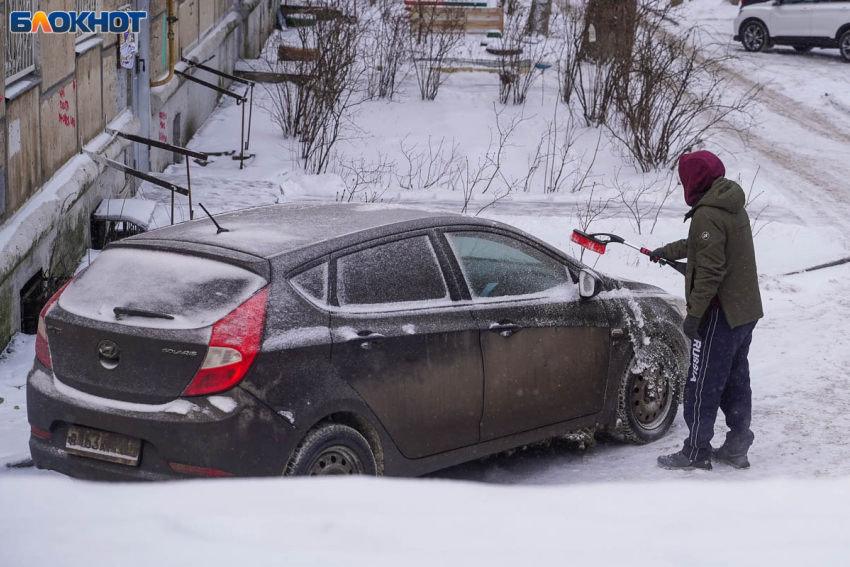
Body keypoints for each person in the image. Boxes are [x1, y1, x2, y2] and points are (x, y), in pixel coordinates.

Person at [650, 151, 763, 471]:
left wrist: (695, 314)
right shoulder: (729, 203)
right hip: (744, 312)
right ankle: (737, 445)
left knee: (701, 384)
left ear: (694, 180)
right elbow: (703, 245)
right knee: (735, 380)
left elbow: (711, 271)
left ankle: (696, 452)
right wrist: (667, 252)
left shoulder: (707, 214)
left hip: (719, 315)